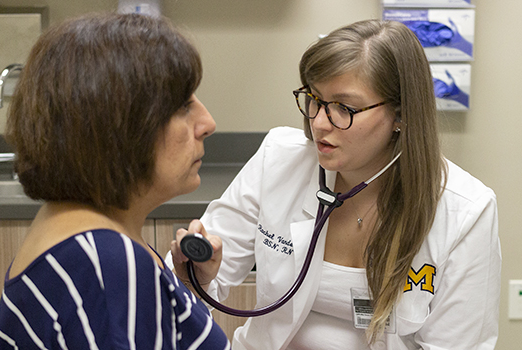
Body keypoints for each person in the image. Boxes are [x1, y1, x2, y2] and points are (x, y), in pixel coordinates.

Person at [170, 19, 500, 350]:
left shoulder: (466, 212)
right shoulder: (279, 160)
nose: (318, 122)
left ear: (401, 115)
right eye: (314, 98)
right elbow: (186, 291)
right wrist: (194, 277)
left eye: (344, 107)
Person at [0, 12, 230, 350]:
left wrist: (182, 288)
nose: (207, 122)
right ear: (120, 127)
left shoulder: (86, 235)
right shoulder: (106, 265)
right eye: (181, 106)